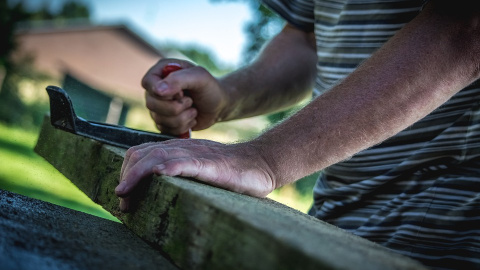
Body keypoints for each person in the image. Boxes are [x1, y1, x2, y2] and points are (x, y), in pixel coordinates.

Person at [115, 0, 480, 268]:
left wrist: (265, 158)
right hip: (331, 218)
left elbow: (465, 28)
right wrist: (227, 98)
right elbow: (308, 39)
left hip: (442, 236)